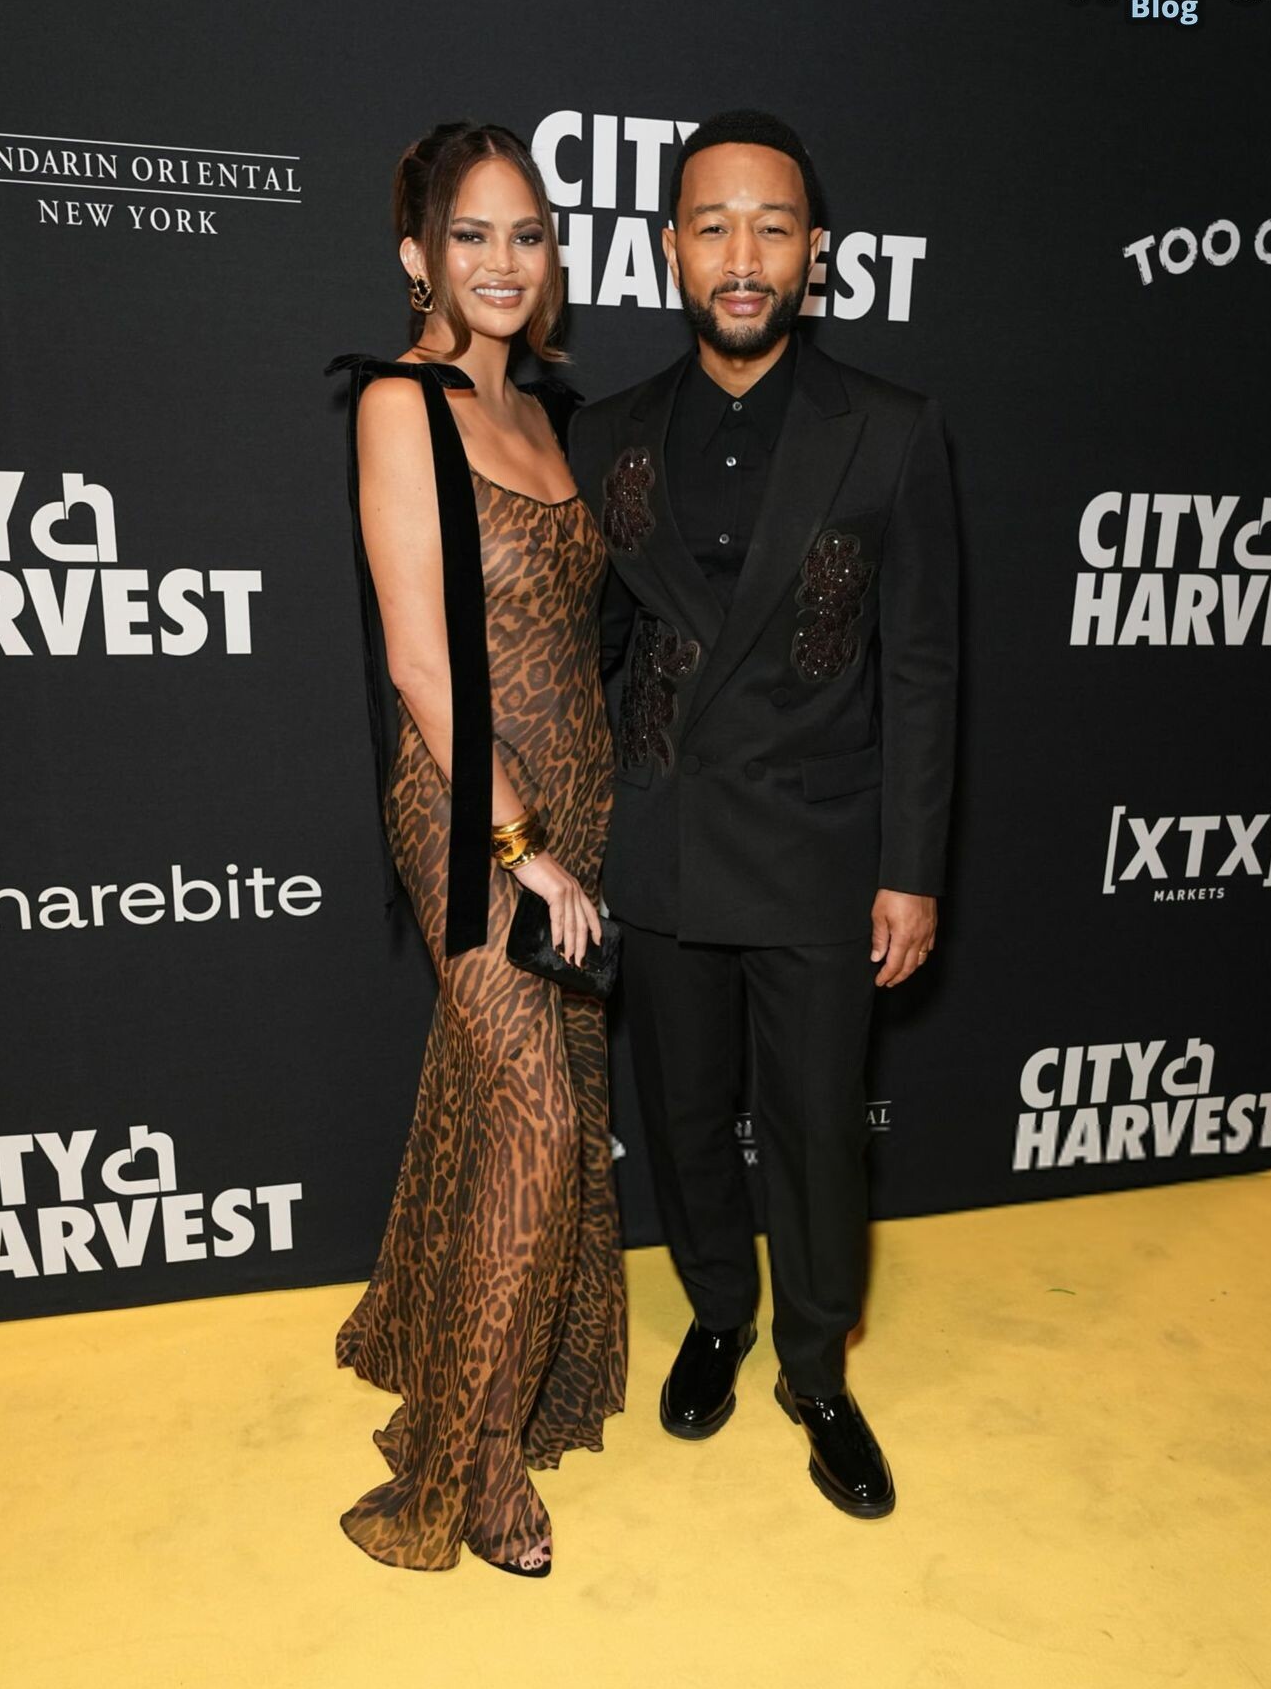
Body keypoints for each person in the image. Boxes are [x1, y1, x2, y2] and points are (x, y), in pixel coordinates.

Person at [570, 109, 958, 1520]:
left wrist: (911, 869)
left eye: (772, 228)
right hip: (664, 837)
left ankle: (814, 1368)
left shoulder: (891, 430)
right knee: (682, 1111)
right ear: (670, 249)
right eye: (714, 226)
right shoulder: (606, 433)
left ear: (815, 253)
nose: (743, 257)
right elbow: (590, 653)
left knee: (814, 1127)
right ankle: (720, 1315)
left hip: (818, 842)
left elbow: (921, 667)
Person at [326, 122, 625, 1576]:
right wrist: (521, 847)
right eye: (471, 235)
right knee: (539, 1114)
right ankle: (476, 1457)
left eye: (527, 234)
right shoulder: (403, 403)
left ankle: (437, 1337)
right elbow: (424, 661)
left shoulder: (549, 413)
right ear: (416, 254)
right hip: (469, 809)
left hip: (583, 799)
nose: (504, 262)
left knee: (510, 1107)